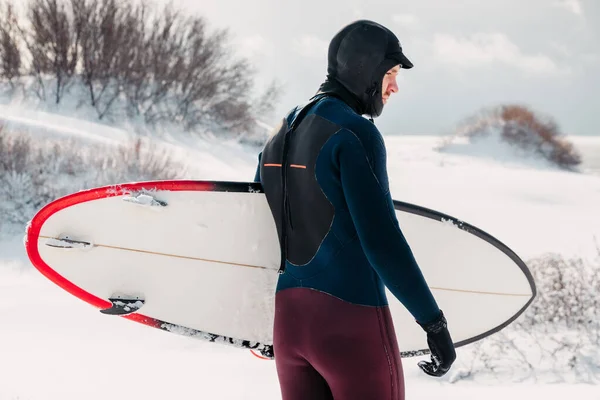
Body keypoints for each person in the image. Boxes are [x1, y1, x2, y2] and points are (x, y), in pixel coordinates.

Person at [254, 20, 456, 400]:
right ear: (365, 68)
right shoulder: (355, 134)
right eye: (391, 73)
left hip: (289, 328)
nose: (394, 87)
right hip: (351, 326)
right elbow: (381, 242)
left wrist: (255, 324)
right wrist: (433, 322)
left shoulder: (278, 134)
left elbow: (259, 233)